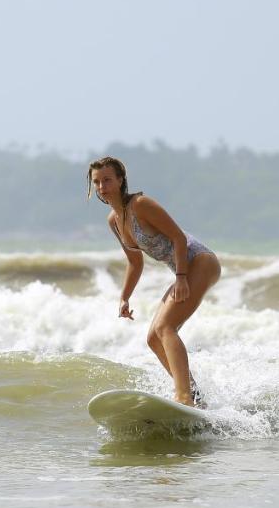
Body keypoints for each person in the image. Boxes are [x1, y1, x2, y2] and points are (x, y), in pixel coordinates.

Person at [87, 156, 221, 407]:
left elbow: (179, 238)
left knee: (165, 328)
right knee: (152, 338)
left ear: (120, 180)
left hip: (200, 262)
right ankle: (194, 395)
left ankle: (184, 397)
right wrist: (124, 297)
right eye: (97, 182)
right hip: (185, 268)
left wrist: (181, 277)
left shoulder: (140, 204)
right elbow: (135, 263)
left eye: (107, 180)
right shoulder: (114, 221)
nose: (102, 187)